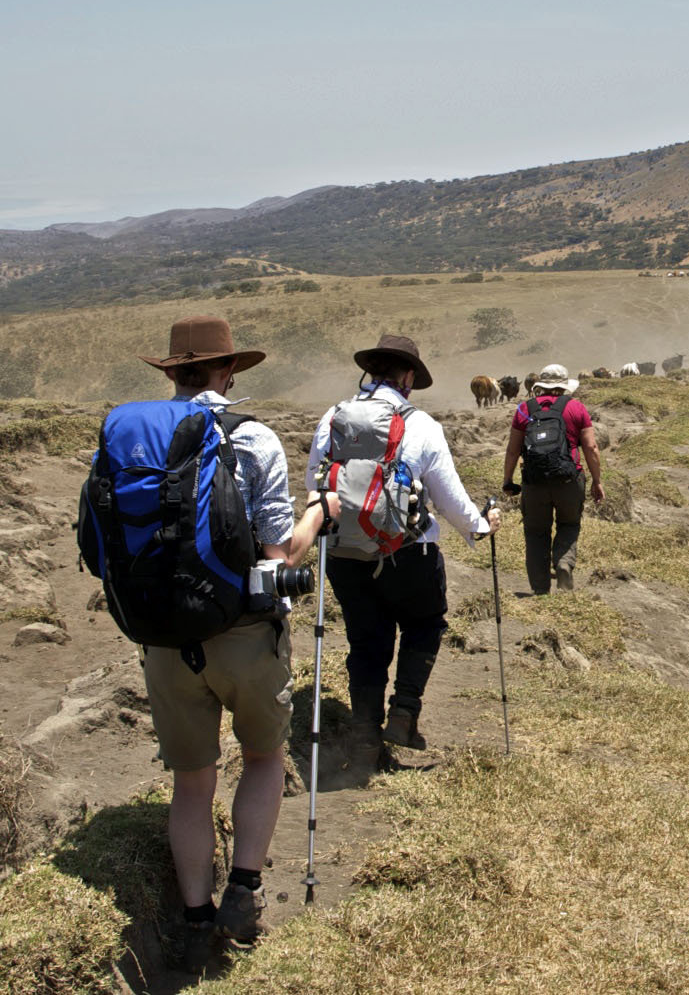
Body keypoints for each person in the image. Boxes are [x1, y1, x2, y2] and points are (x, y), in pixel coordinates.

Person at [133, 315, 338, 970]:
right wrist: (319, 514)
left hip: (167, 642)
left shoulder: (134, 442)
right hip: (247, 634)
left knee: (191, 784)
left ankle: (194, 918)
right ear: (228, 372)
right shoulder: (253, 440)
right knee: (261, 757)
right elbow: (279, 556)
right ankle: (244, 889)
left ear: (171, 373)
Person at [306, 335, 500, 765]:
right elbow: (450, 501)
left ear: (371, 372)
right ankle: (405, 713)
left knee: (366, 642)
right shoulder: (423, 425)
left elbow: (312, 484)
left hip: (346, 555)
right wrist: (482, 525)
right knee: (425, 623)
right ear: (408, 376)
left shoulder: (331, 418)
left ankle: (364, 734)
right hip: (408, 554)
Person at [502, 364, 604, 595]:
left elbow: (512, 450)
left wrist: (508, 480)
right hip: (569, 480)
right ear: (563, 386)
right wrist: (597, 481)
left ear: (541, 385)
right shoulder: (576, 408)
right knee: (569, 524)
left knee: (536, 532)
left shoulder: (524, 409)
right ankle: (564, 562)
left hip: (534, 482)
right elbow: (591, 447)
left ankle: (540, 591)